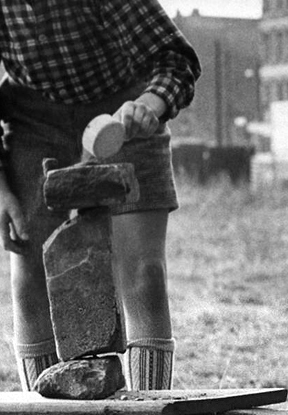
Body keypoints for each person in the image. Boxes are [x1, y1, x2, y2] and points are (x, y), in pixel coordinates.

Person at [0, 1, 201, 391]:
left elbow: (177, 60)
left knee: (145, 274)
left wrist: (148, 105)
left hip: (123, 114)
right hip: (32, 121)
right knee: (29, 274)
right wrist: (2, 189)